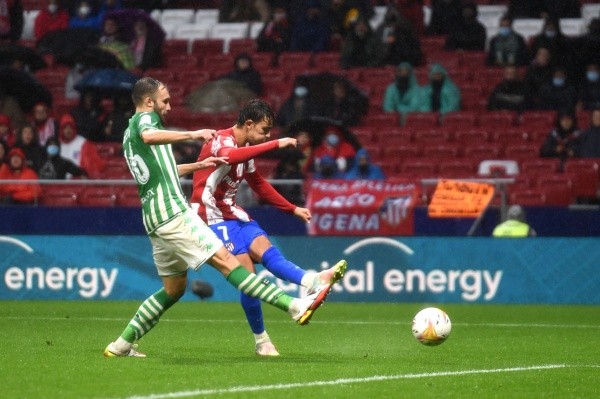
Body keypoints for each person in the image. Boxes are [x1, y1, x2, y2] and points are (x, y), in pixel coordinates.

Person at [104, 77, 346, 358]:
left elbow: (165, 169)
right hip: (174, 212)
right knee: (230, 264)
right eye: (165, 101)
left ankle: (121, 345)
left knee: (173, 289)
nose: (169, 107)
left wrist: (199, 165)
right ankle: (294, 307)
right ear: (148, 102)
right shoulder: (146, 121)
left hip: (155, 216)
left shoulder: (126, 134)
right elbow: (149, 135)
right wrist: (192, 134)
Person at [190, 99, 347, 356]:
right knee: (248, 279)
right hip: (210, 217)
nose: (266, 135)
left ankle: (312, 280)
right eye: (264, 130)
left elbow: (258, 183)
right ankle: (262, 341)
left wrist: (291, 208)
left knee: (269, 253)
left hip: (233, 214)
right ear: (249, 124)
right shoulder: (220, 141)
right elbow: (230, 157)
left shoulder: (247, 148)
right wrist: (276, 144)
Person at [57, 113, 106, 178]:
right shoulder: (56, 144)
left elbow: (92, 165)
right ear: (61, 130)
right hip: (59, 181)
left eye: (70, 127)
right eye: (65, 127)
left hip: (78, 181)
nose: (68, 130)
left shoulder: (83, 143)